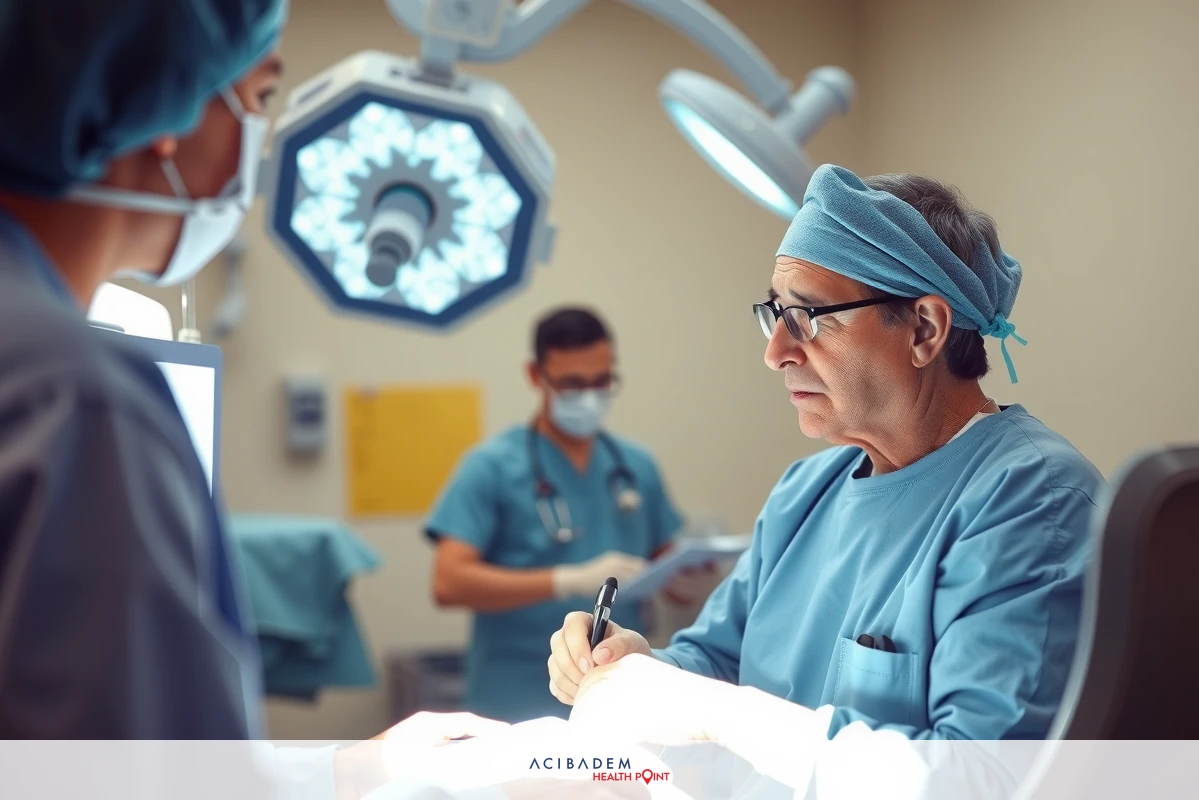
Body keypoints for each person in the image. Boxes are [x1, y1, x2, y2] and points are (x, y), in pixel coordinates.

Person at [0, 0, 512, 761]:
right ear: (166, 103)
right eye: (261, 97)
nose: (259, 142)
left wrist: (347, 769)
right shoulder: (77, 395)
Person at [547, 164, 1106, 742]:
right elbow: (716, 661)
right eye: (773, 314)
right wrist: (633, 664)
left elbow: (976, 776)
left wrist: (719, 716)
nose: (776, 352)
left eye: (807, 317)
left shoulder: (1034, 504)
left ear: (924, 330)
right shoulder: (803, 494)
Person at [427, 307, 703, 723]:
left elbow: (673, 579)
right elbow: (448, 582)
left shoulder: (636, 466)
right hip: (514, 698)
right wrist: (566, 581)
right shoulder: (490, 467)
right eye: (573, 384)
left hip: (620, 691)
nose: (590, 397)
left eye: (601, 381)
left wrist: (694, 572)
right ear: (537, 377)